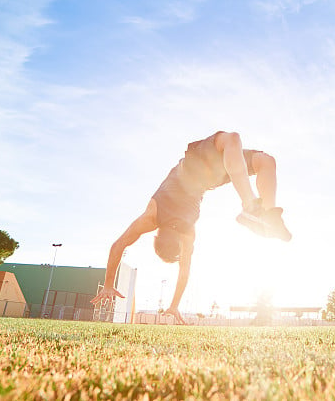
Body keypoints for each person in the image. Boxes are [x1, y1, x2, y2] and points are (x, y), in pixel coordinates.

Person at [90, 131, 291, 324]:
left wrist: (174, 305)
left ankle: (263, 214)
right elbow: (118, 245)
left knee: (245, 148)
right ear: (157, 235)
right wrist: (108, 284)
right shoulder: (152, 217)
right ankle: (257, 209)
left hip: (209, 174)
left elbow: (184, 272)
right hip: (202, 168)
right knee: (257, 156)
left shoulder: (186, 232)